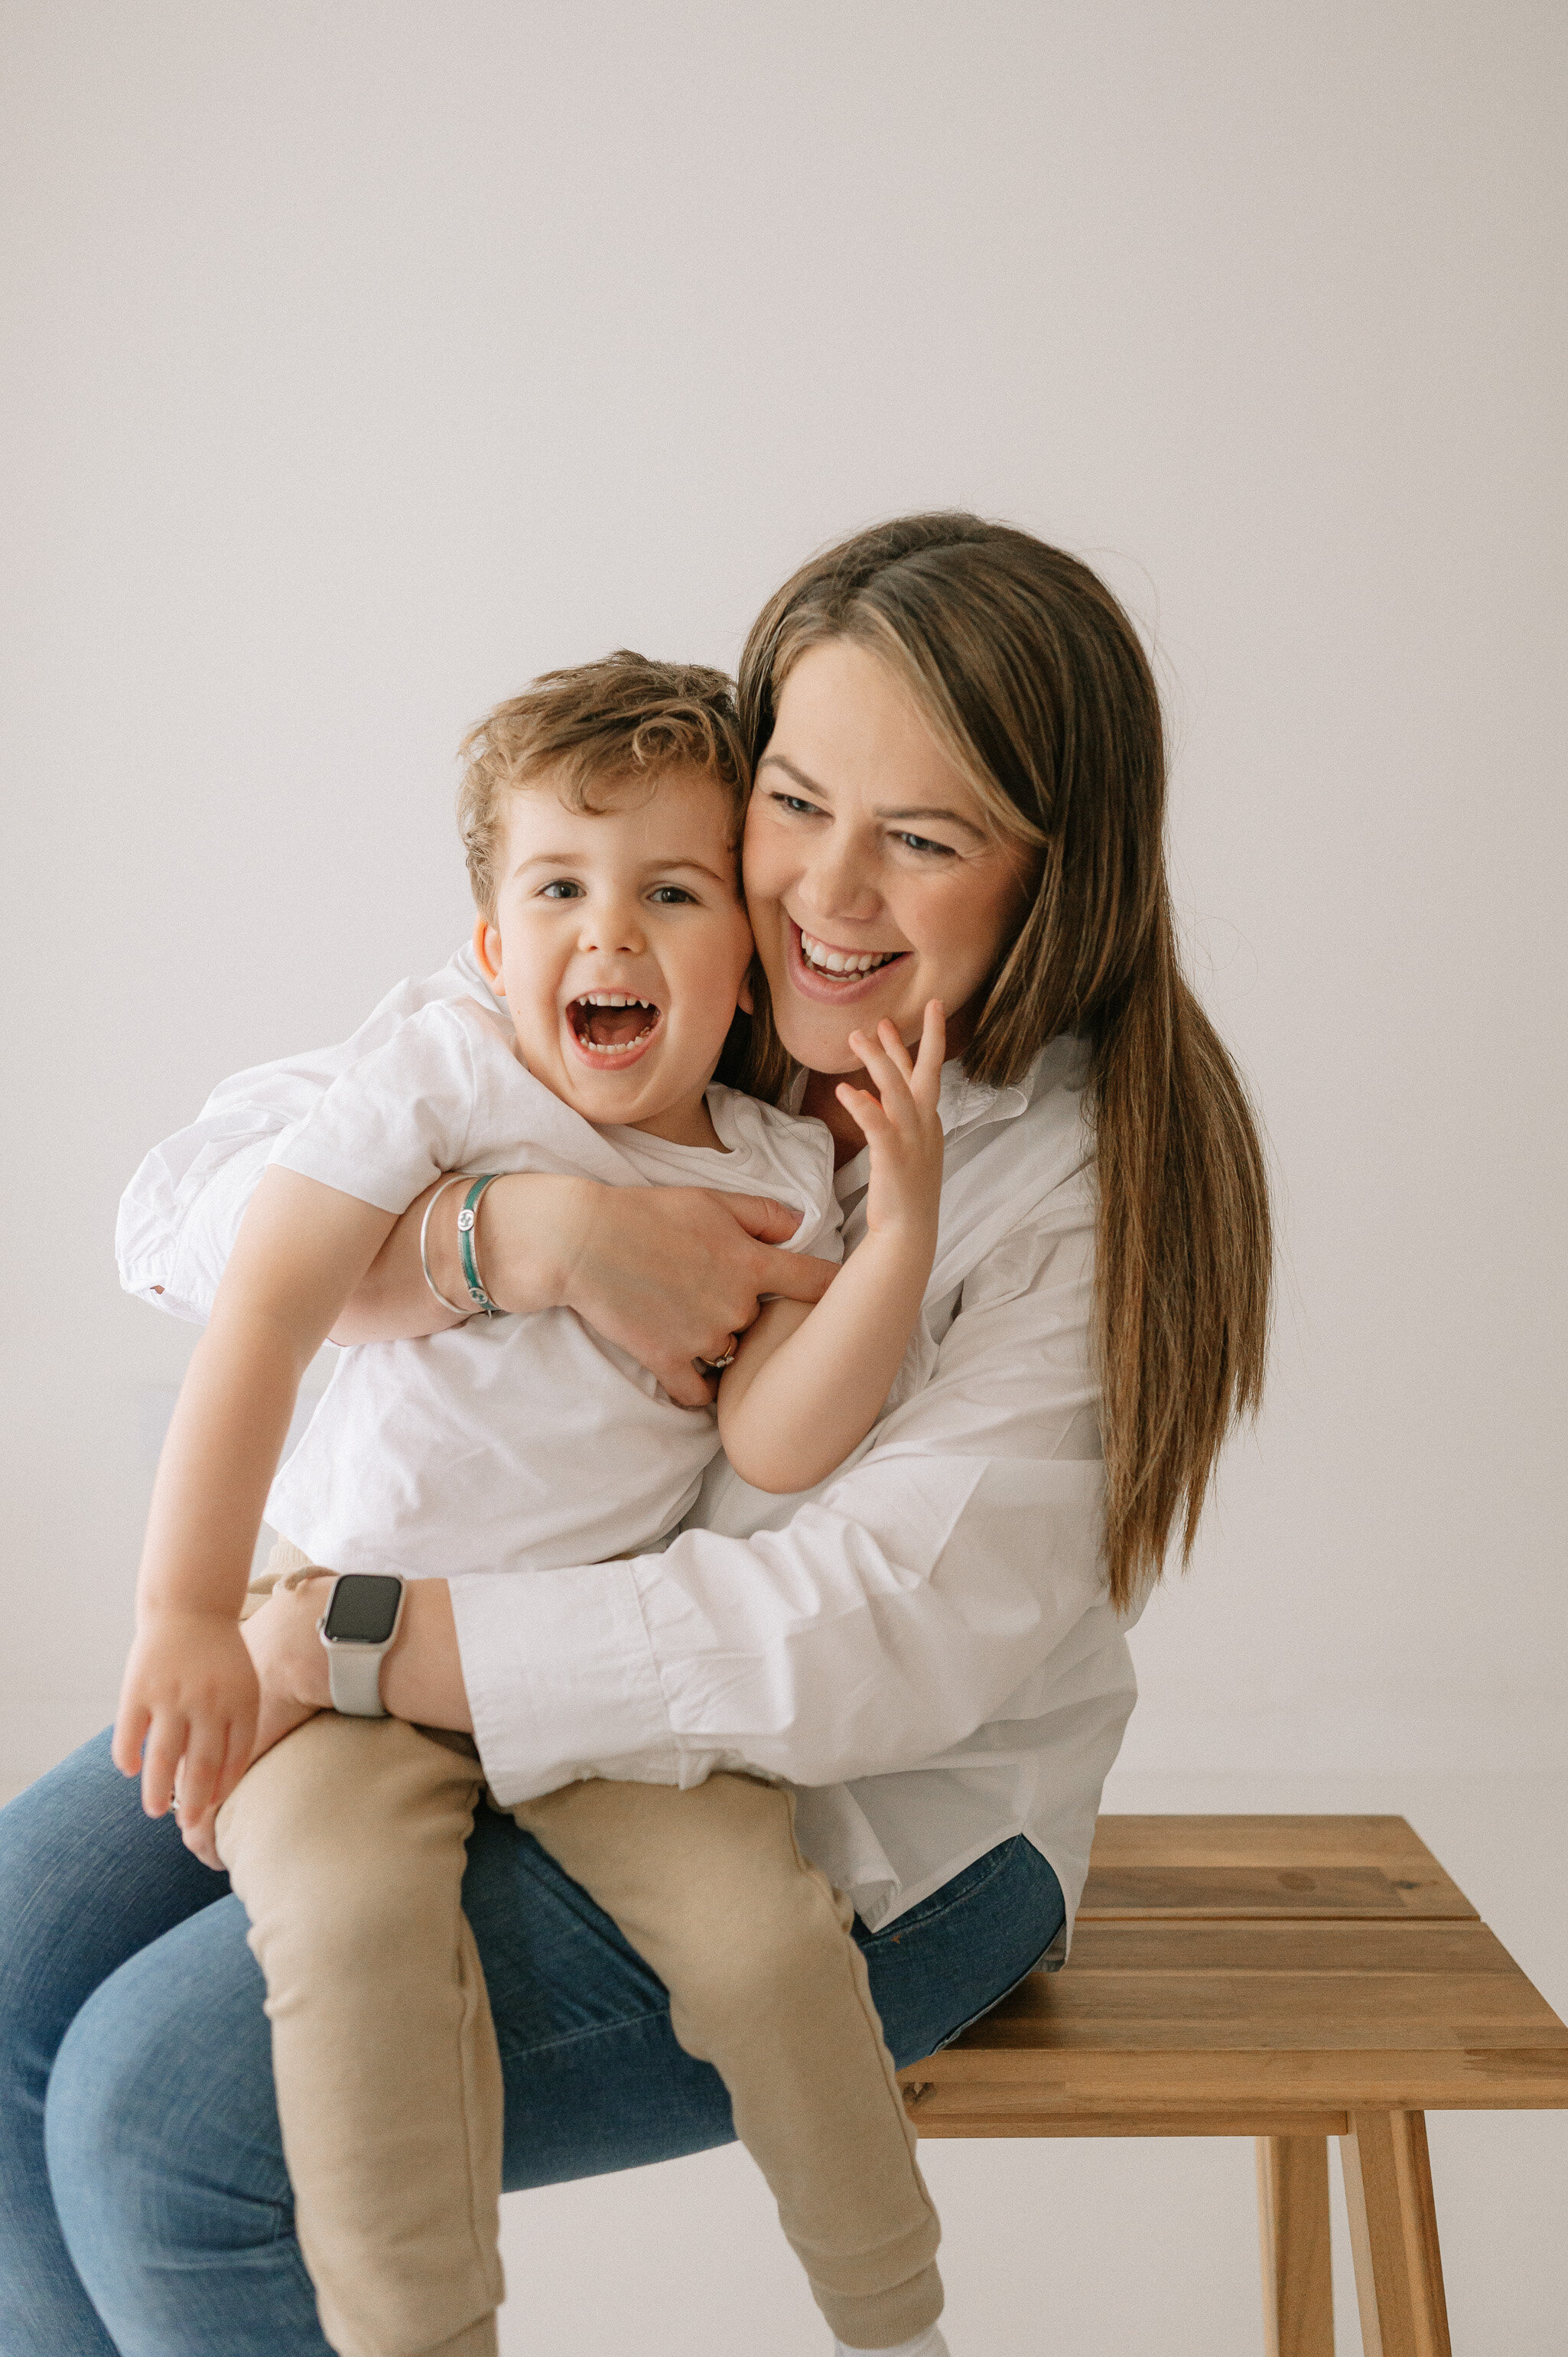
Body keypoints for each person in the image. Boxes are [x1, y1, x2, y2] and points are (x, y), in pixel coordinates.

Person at [0, 513, 1271, 2357]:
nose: (825, 890)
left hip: (855, 1819)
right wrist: (508, 1236)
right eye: (798, 800)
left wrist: (358, 1637)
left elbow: (851, 1643)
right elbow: (186, 1209)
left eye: (919, 840)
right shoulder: (671, 962)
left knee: (163, 2122)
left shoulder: (1071, 1184)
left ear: (1049, 880)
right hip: (452, 1671)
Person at [115, 647, 957, 2357]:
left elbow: (784, 1436)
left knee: (772, 1944)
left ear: (742, 969)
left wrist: (900, 1239)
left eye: (668, 890)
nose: (610, 932)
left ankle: (897, 2319)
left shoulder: (773, 1164)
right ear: (494, 950)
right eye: (558, 889)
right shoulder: (444, 1072)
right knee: (352, 1944)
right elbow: (266, 1298)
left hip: (576, 1675)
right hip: (338, 1657)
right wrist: (184, 1612)